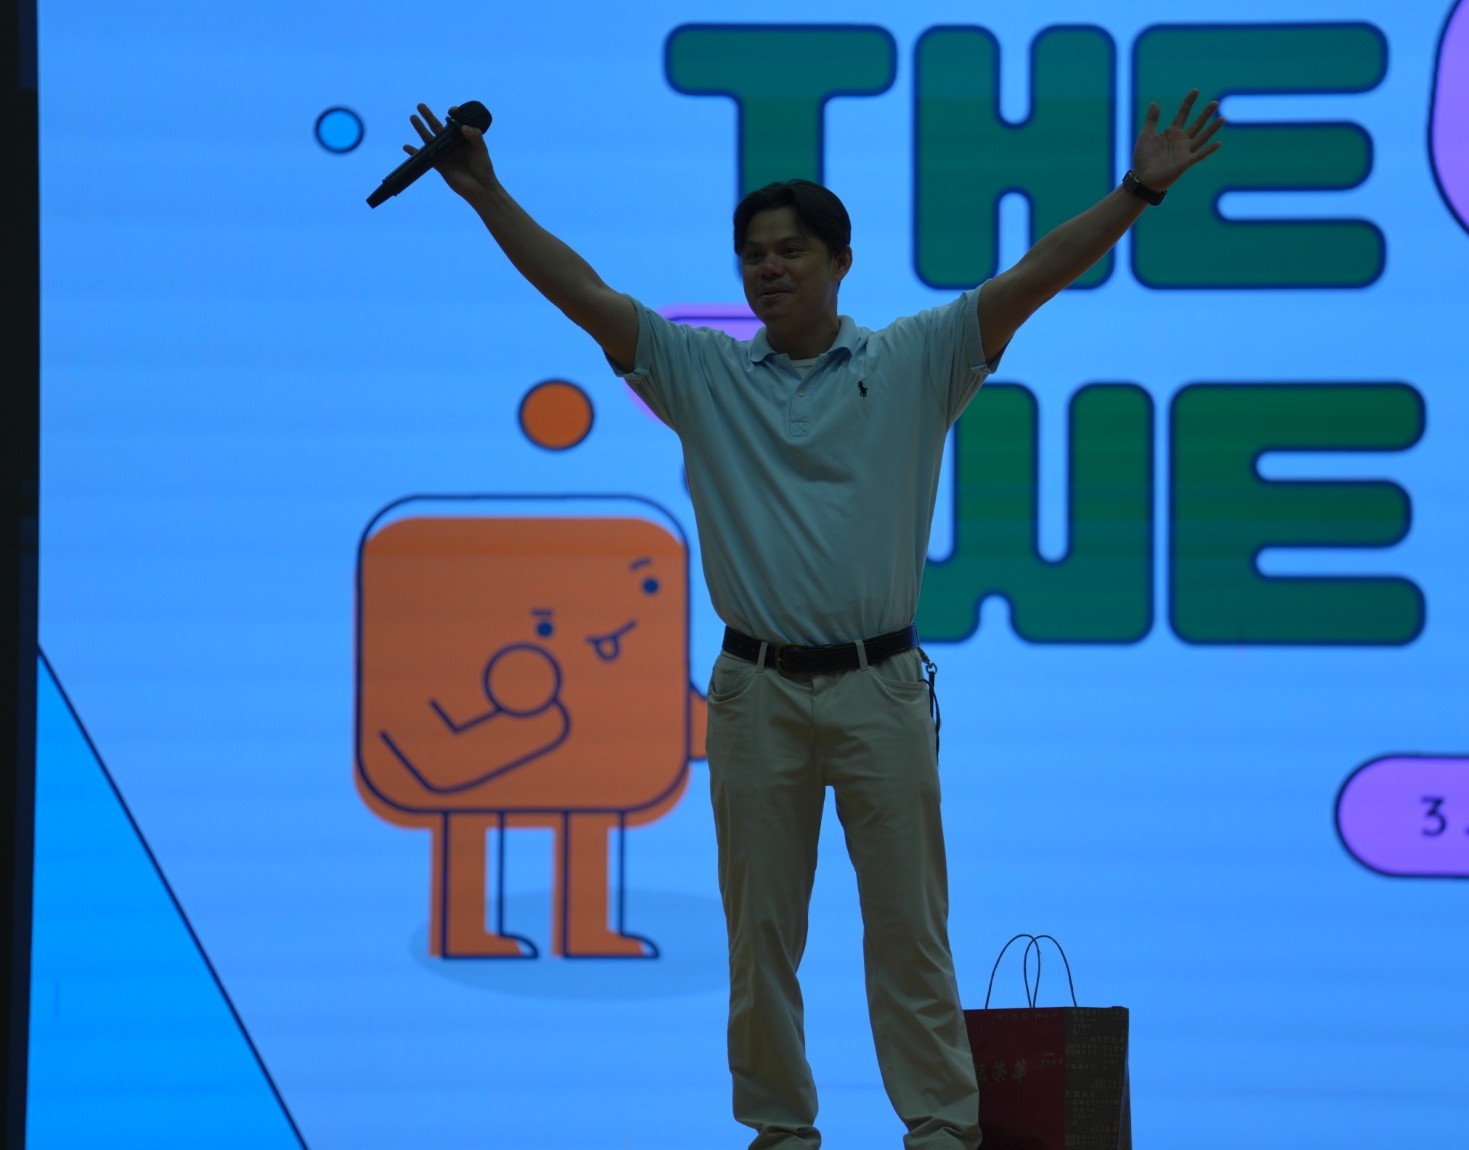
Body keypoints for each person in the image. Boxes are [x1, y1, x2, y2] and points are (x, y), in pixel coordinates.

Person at [403, 90, 1222, 1150]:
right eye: (752, 254)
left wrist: (1138, 190)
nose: (769, 268)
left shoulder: (918, 357)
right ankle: (780, 1132)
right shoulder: (699, 371)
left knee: (910, 930)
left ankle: (941, 1128)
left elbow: (1038, 273)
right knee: (761, 935)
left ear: (840, 261)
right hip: (755, 690)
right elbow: (582, 291)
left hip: (881, 685)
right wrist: (484, 193)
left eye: (791, 249)